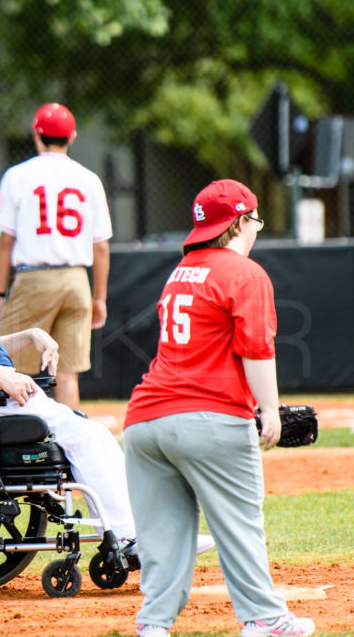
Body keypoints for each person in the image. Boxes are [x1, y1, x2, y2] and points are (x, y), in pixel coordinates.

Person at [0, 197, 213, 557]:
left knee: (95, 438)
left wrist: (28, 335)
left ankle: (142, 534)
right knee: (91, 439)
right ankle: (129, 538)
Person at [123, 180, 314, 637]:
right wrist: (269, 408)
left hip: (144, 420)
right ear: (241, 221)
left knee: (163, 535)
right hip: (208, 418)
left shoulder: (182, 268)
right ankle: (265, 619)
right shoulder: (244, 273)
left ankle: (153, 625)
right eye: (256, 221)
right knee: (239, 525)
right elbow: (256, 348)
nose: (257, 230)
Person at [0, 103, 112, 409]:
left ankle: (16, 442)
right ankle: (70, 445)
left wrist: (2, 291)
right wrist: (99, 297)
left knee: (9, 363)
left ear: (37, 134)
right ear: (72, 136)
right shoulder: (88, 178)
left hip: (35, 276)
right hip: (76, 279)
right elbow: (100, 246)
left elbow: (6, 241)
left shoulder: (17, 175)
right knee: (67, 373)